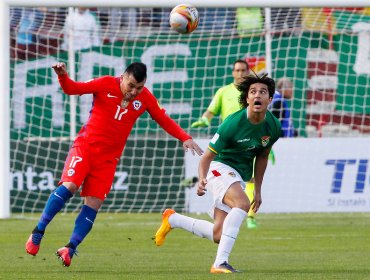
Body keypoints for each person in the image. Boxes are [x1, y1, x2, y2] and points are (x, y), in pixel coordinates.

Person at [25, 61, 203, 267]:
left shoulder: (145, 98)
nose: (134, 92)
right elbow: (73, 89)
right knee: (70, 186)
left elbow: (163, 119)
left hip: (108, 160)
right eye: (131, 86)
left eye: (139, 88)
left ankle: (70, 248)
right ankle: (38, 232)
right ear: (123, 77)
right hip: (85, 148)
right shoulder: (105, 84)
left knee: (94, 204)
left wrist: (184, 137)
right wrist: (63, 76)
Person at [155, 73, 281, 273]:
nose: (257, 95)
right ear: (247, 98)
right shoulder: (232, 123)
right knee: (242, 203)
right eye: (253, 91)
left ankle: (173, 219)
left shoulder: (273, 126)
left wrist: (257, 190)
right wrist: (202, 178)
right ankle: (220, 263)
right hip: (219, 167)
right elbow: (206, 156)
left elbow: (263, 158)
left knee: (218, 234)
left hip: (238, 175)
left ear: (270, 99)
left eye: (262, 92)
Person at [191, 60, 259, 229]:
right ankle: (243, 211)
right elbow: (211, 111)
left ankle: (250, 215)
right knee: (236, 187)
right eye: (237, 70)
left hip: (249, 142)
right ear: (233, 73)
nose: (241, 73)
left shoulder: (252, 93)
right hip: (227, 143)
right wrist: (204, 120)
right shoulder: (224, 91)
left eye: (244, 70)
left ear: (248, 72)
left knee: (251, 177)